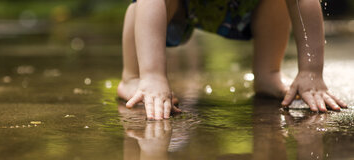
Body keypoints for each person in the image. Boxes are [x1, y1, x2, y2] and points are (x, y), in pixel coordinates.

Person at [117, 0, 347, 120]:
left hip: (240, 5)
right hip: (175, 6)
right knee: (139, 8)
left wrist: (311, 72)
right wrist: (153, 75)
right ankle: (133, 77)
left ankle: (268, 72)